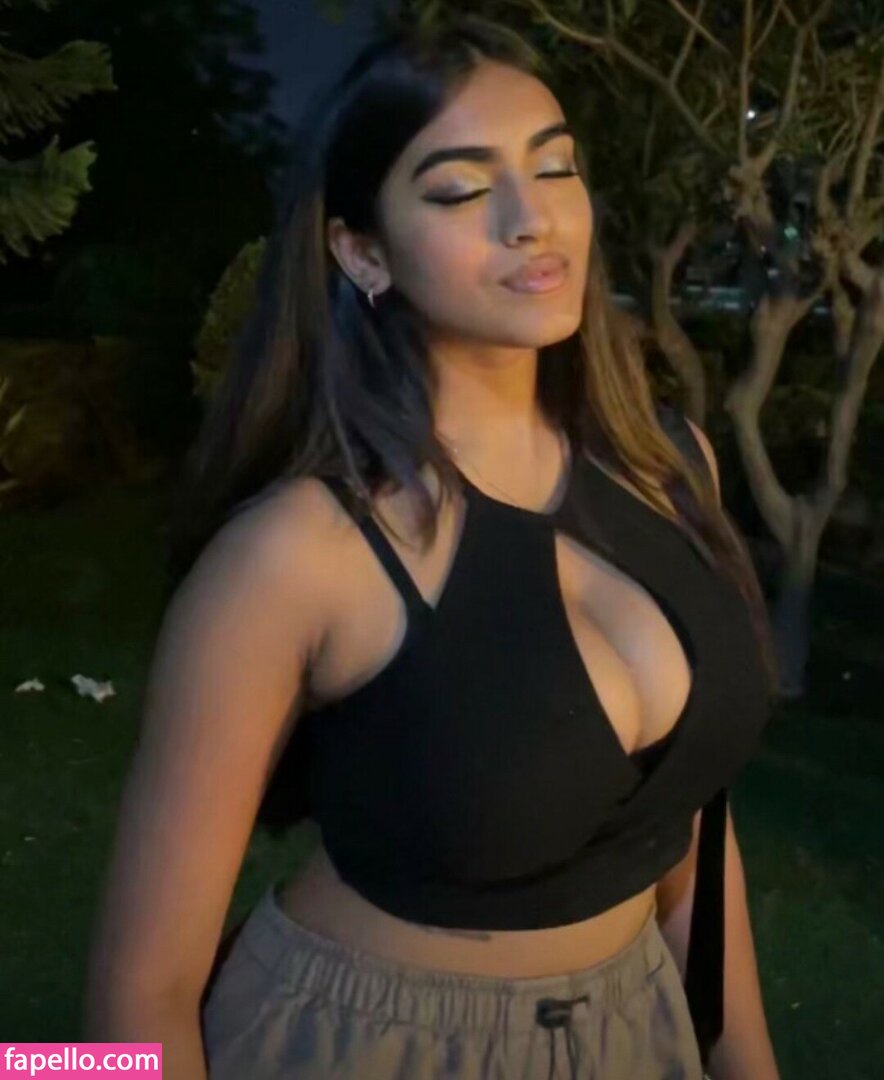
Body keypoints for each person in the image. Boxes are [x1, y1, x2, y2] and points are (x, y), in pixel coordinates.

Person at [83, 15, 781, 1080]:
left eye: (554, 168)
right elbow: (135, 1001)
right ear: (362, 251)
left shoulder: (672, 464)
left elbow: (689, 823)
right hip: (363, 1043)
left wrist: (744, 1060)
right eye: (459, 190)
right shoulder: (295, 556)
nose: (530, 219)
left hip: (633, 1030)